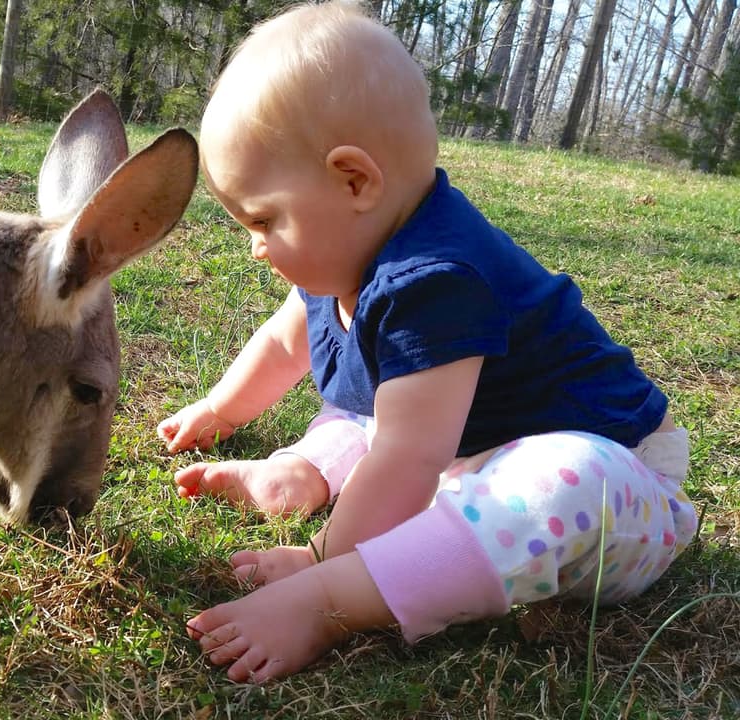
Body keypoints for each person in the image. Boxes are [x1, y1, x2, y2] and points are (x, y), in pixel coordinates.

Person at [157, 1, 698, 684]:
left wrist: (325, 564)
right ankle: (306, 470)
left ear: (354, 180)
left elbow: (411, 458)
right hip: (466, 452)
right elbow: (286, 341)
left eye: (262, 220)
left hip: (617, 485)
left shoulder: (435, 282)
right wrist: (221, 410)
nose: (255, 248)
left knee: (548, 477)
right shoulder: (350, 255)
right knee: (370, 408)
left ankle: (334, 598)